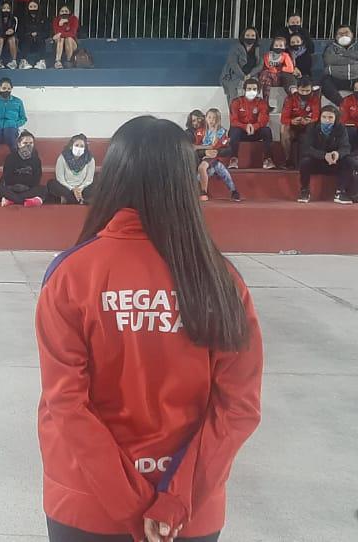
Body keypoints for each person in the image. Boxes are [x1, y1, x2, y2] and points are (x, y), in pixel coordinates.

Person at [37, 115, 263, 542]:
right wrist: (171, 502)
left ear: (114, 175)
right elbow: (238, 407)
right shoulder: (222, 280)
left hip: (89, 505)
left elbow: (66, 402)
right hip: (186, 512)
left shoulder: (70, 274)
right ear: (184, 182)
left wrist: (129, 507)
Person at [298, 106, 355, 205]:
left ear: (335, 118)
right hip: (317, 161)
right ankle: (305, 191)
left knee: (349, 161)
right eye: (324, 117)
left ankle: (340, 192)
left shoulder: (341, 128)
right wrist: (324, 155)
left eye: (330, 118)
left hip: (334, 162)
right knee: (305, 161)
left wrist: (337, 154)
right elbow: (307, 148)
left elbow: (346, 147)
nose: (327, 120)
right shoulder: (312, 127)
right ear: (320, 117)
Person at [227, 78, 275, 169]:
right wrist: (245, 126)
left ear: (258, 91)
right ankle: (233, 159)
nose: (251, 91)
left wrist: (254, 126)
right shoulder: (236, 102)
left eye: (254, 89)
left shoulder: (262, 103)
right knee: (234, 131)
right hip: (240, 132)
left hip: (255, 132)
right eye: (249, 89)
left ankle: (267, 159)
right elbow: (233, 121)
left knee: (267, 131)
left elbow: (263, 120)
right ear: (244, 90)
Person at [196, 109, 242, 202]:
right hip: (204, 157)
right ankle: (234, 191)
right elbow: (195, 146)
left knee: (203, 168)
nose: (211, 120)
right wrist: (203, 149)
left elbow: (221, 147)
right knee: (221, 170)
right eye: (209, 117)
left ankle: (204, 192)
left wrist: (214, 150)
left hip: (213, 156)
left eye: (214, 118)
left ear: (218, 119)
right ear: (206, 118)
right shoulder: (201, 131)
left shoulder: (221, 132)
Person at [0, 130, 45, 207]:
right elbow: (7, 178)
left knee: (43, 189)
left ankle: (12, 200)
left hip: (28, 189)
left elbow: (37, 179)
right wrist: (17, 185)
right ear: (19, 144)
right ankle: (24, 200)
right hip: (12, 188)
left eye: (31, 143)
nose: (28, 146)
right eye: (25, 143)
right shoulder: (10, 158)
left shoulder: (36, 159)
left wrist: (25, 186)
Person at [320, 25, 358, 105]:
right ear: (336, 36)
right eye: (340, 33)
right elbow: (330, 59)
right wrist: (353, 60)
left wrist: (342, 54)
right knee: (325, 84)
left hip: (356, 78)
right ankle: (343, 104)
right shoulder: (330, 47)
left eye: (346, 32)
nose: (343, 35)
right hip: (335, 78)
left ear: (352, 34)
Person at [0, 77, 27, 167]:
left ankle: (16, 158)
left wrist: (15, 124)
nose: (6, 90)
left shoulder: (18, 102)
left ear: (11, 89)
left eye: (8, 88)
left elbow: (23, 118)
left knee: (9, 133)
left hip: (11, 127)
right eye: (4, 88)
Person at [280, 78, 319, 168]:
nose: (305, 93)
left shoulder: (315, 98)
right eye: (302, 90)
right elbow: (283, 118)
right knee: (284, 128)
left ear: (311, 89)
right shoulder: (290, 98)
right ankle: (288, 160)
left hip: (308, 126)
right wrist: (292, 121)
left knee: (314, 126)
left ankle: (307, 161)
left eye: (307, 91)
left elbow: (316, 116)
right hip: (294, 126)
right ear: (297, 89)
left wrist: (309, 120)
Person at [48, 134, 94, 205]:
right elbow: (60, 178)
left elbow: (89, 179)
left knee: (98, 182)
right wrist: (72, 189)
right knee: (51, 183)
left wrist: (79, 189)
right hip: (67, 188)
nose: (79, 148)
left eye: (82, 146)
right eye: (76, 145)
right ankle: (79, 200)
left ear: (85, 148)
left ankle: (69, 200)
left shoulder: (90, 159)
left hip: (83, 189)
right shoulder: (62, 157)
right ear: (71, 146)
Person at [220, 27, 261, 102]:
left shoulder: (257, 49)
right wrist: (243, 76)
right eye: (247, 35)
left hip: (251, 75)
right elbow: (233, 64)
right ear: (243, 36)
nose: (250, 37)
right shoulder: (236, 47)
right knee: (235, 93)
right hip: (234, 74)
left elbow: (260, 65)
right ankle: (234, 111)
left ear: (256, 37)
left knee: (256, 87)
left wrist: (250, 75)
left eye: (252, 35)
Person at [258, 35, 295, 101]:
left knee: (266, 74)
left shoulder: (285, 56)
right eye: (276, 45)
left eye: (281, 46)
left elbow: (290, 69)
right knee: (265, 74)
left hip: (279, 78)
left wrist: (279, 69)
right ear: (272, 46)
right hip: (267, 79)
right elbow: (264, 67)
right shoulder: (267, 55)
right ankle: (265, 102)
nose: (278, 47)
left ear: (284, 47)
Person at [18, 0, 50, 69]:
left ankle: (42, 62)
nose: (33, 8)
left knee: (40, 39)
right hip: (26, 41)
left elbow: (47, 32)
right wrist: (30, 34)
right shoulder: (23, 18)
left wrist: (38, 34)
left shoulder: (43, 18)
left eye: (35, 6)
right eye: (31, 7)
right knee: (27, 39)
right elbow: (20, 33)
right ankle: (23, 61)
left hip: (39, 41)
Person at [0, 1, 21, 69]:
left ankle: (14, 62)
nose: (6, 10)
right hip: (0, 36)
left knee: (12, 39)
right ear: (1, 9)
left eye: (8, 8)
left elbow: (16, 30)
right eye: (4, 8)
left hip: (10, 37)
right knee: (0, 39)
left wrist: (12, 31)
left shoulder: (14, 19)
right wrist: (4, 33)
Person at [51, 5, 79, 69]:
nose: (64, 13)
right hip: (59, 43)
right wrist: (60, 25)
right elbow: (56, 33)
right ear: (59, 12)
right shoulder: (56, 20)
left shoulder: (74, 19)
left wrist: (61, 34)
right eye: (62, 11)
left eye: (66, 11)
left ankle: (69, 61)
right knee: (61, 38)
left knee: (68, 38)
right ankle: (58, 61)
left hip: (72, 43)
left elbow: (72, 33)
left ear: (69, 12)